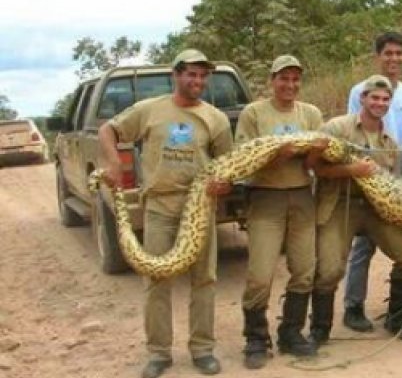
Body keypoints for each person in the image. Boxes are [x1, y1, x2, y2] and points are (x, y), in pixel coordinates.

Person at [97, 49, 232, 378]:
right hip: (160, 203)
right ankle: (158, 353)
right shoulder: (150, 110)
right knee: (157, 278)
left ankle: (202, 349)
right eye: (191, 74)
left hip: (199, 205)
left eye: (202, 76)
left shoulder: (216, 118)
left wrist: (222, 184)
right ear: (177, 75)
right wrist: (114, 162)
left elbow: (226, 165)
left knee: (205, 279)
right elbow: (108, 130)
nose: (197, 81)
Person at [309, 75, 402, 342]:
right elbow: (316, 168)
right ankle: (319, 329)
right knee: (329, 269)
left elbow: (396, 186)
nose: (379, 103)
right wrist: (351, 170)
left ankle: (397, 321)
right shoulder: (337, 128)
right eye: (374, 97)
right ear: (362, 98)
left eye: (385, 99)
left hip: (376, 210)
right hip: (340, 204)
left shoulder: (390, 143)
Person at [234, 55, 323, 368]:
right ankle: (256, 339)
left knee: (304, 269)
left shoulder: (311, 114)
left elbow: (314, 166)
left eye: (295, 79)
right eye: (283, 78)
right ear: (272, 81)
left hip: (301, 197)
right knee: (260, 273)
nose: (290, 85)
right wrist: (279, 156)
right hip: (265, 198)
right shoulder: (254, 113)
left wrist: (312, 155)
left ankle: (291, 333)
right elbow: (245, 163)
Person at [342, 32, 402, 332]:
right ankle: (353, 306)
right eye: (388, 53)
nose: (394, 59)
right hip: (369, 176)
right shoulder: (360, 90)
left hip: (400, 175)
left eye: (399, 53)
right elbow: (353, 130)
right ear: (378, 56)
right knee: (364, 245)